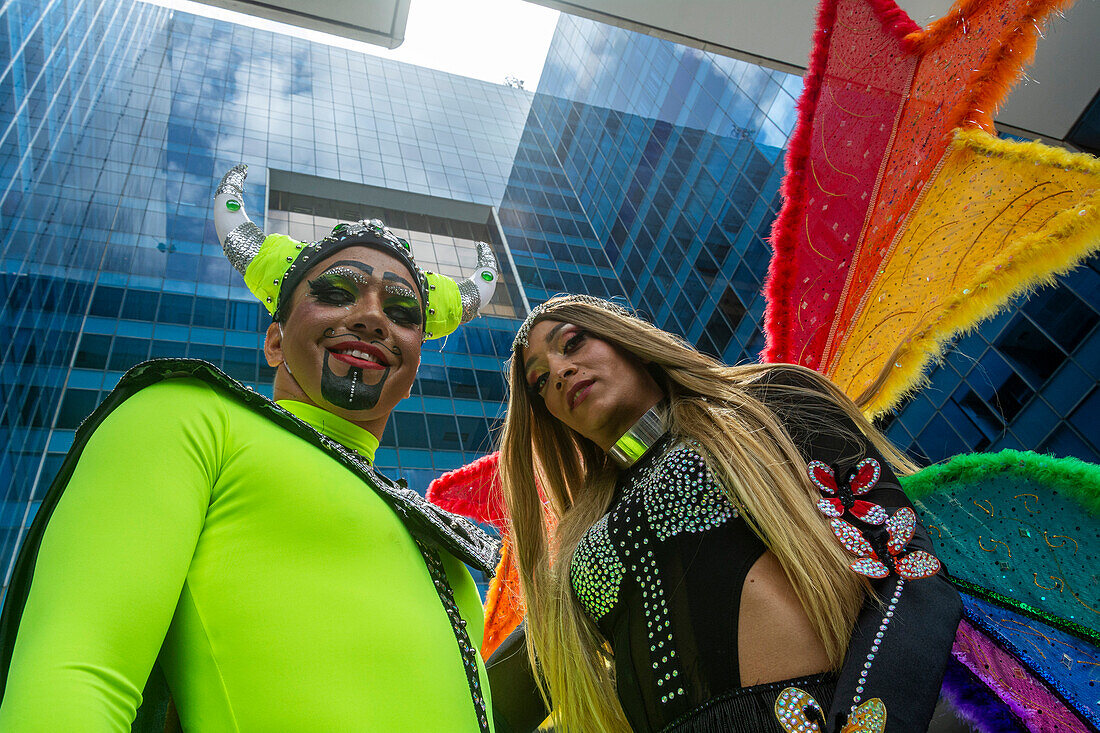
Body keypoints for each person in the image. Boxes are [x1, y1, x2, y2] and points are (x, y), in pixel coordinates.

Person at [0, 165, 502, 732]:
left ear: (413, 362)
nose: (371, 317)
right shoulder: (188, 415)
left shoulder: (434, 535)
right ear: (274, 340)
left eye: (402, 312)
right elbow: (75, 671)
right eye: (337, 294)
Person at [485, 294, 962, 733]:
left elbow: (908, 570)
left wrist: (869, 719)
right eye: (541, 381)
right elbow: (503, 697)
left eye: (571, 343)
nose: (561, 371)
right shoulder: (579, 539)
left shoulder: (767, 403)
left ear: (626, 338)